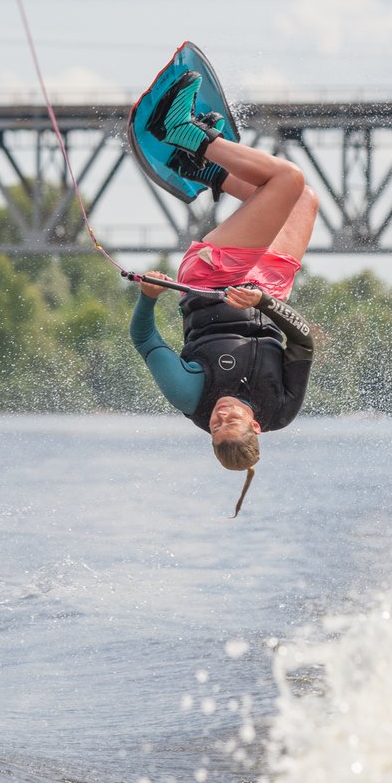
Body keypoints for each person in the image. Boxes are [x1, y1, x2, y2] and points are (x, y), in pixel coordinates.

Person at [129, 69, 319, 516]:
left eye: (215, 428)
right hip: (269, 287)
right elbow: (304, 341)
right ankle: (196, 167)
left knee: (286, 181)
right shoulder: (281, 408)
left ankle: (182, 133)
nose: (219, 418)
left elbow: (145, 341)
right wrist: (265, 303)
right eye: (230, 423)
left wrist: (149, 298)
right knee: (304, 199)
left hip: (210, 279)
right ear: (255, 424)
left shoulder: (193, 397)